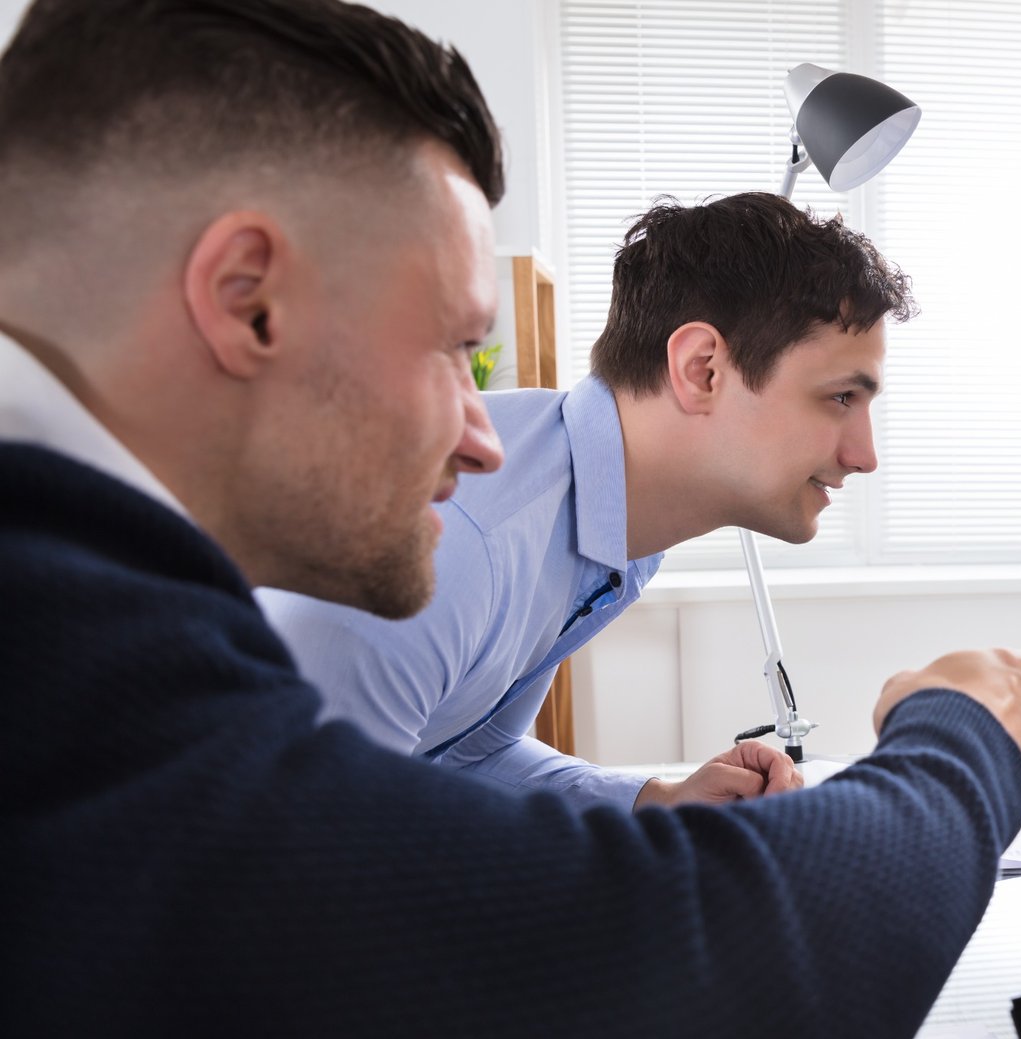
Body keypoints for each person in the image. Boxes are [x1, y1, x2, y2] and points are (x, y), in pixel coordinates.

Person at [0, 1, 1021, 1039]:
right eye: (455, 350)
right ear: (249, 300)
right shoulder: (61, 653)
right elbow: (714, 1024)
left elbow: (338, 865)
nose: (482, 431)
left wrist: (639, 807)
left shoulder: (80, 594)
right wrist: (963, 739)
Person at [258, 192, 910, 809]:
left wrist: (656, 802)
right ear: (701, 369)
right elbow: (308, 842)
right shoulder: (455, 538)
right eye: (840, 397)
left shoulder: (614, 530)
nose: (865, 456)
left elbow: (468, 751)